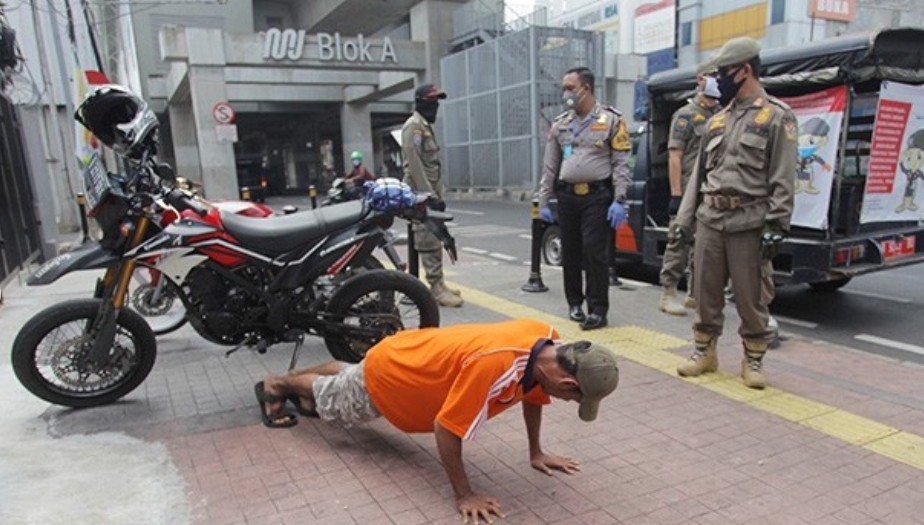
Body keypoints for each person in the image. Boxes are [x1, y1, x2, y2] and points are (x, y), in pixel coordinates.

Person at [255, 319, 620, 523]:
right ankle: (278, 384)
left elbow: (533, 395)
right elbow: (445, 428)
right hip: (393, 375)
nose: (566, 401)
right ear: (568, 381)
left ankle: (308, 382)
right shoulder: (495, 366)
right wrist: (465, 494)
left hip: (410, 354)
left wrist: (536, 452)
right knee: (337, 401)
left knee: (351, 380)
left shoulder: (548, 341)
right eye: (573, 398)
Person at [672, 37, 797, 389]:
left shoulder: (776, 117)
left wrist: (777, 223)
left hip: (749, 223)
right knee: (705, 292)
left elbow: (783, 176)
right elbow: (698, 177)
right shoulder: (717, 120)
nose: (718, 81)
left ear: (744, 71)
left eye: (723, 73)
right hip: (711, 220)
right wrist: (683, 221)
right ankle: (705, 353)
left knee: (751, 296)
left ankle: (753, 359)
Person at [538, 67, 632, 331]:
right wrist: (544, 200)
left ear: (586, 89)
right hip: (567, 197)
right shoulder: (560, 124)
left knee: (594, 252)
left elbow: (621, 162)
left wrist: (620, 198)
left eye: (570, 87)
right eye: (564, 88)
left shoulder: (612, 120)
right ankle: (575, 303)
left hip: (597, 197)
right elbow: (550, 166)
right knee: (570, 251)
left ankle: (598, 309)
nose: (565, 93)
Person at [658, 72, 722, 316]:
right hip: (688, 189)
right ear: (700, 81)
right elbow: (675, 155)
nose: (717, 80)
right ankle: (669, 292)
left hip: (711, 188)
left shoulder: (720, 115)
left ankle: (695, 294)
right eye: (712, 76)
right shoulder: (685, 115)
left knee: (704, 243)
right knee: (679, 239)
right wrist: (676, 194)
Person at [401, 83, 463, 307]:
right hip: (421, 193)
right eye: (431, 101)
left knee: (436, 236)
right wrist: (428, 194)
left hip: (429, 192)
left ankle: (439, 283)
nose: (435, 106)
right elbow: (415, 163)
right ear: (420, 101)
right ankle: (435, 288)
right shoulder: (414, 127)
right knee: (427, 238)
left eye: (437, 102)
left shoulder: (424, 126)